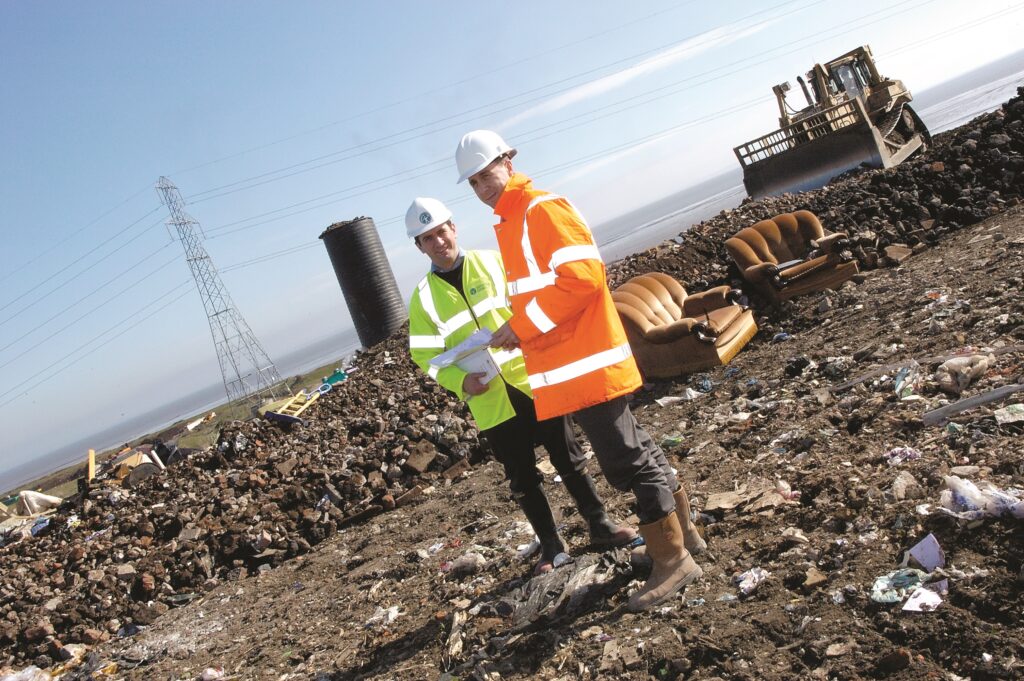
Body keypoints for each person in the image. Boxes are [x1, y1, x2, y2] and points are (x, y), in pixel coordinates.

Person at [455, 131, 706, 611]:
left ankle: (672, 561)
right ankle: (682, 538)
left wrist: (521, 326)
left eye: (487, 173)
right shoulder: (512, 218)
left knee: (625, 461)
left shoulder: (538, 209)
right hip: (577, 365)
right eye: (473, 181)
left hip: (587, 363)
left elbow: (586, 279)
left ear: (509, 161)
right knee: (638, 448)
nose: (482, 186)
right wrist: (521, 325)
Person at [404, 197, 635, 575]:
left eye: (441, 232)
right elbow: (424, 356)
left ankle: (601, 526)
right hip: (489, 400)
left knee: (570, 458)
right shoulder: (422, 298)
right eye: (428, 239)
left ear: (453, 228)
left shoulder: (494, 263)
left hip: (532, 381)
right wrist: (460, 381)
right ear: (419, 246)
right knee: (522, 478)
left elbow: (532, 306)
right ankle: (550, 547)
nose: (438, 242)